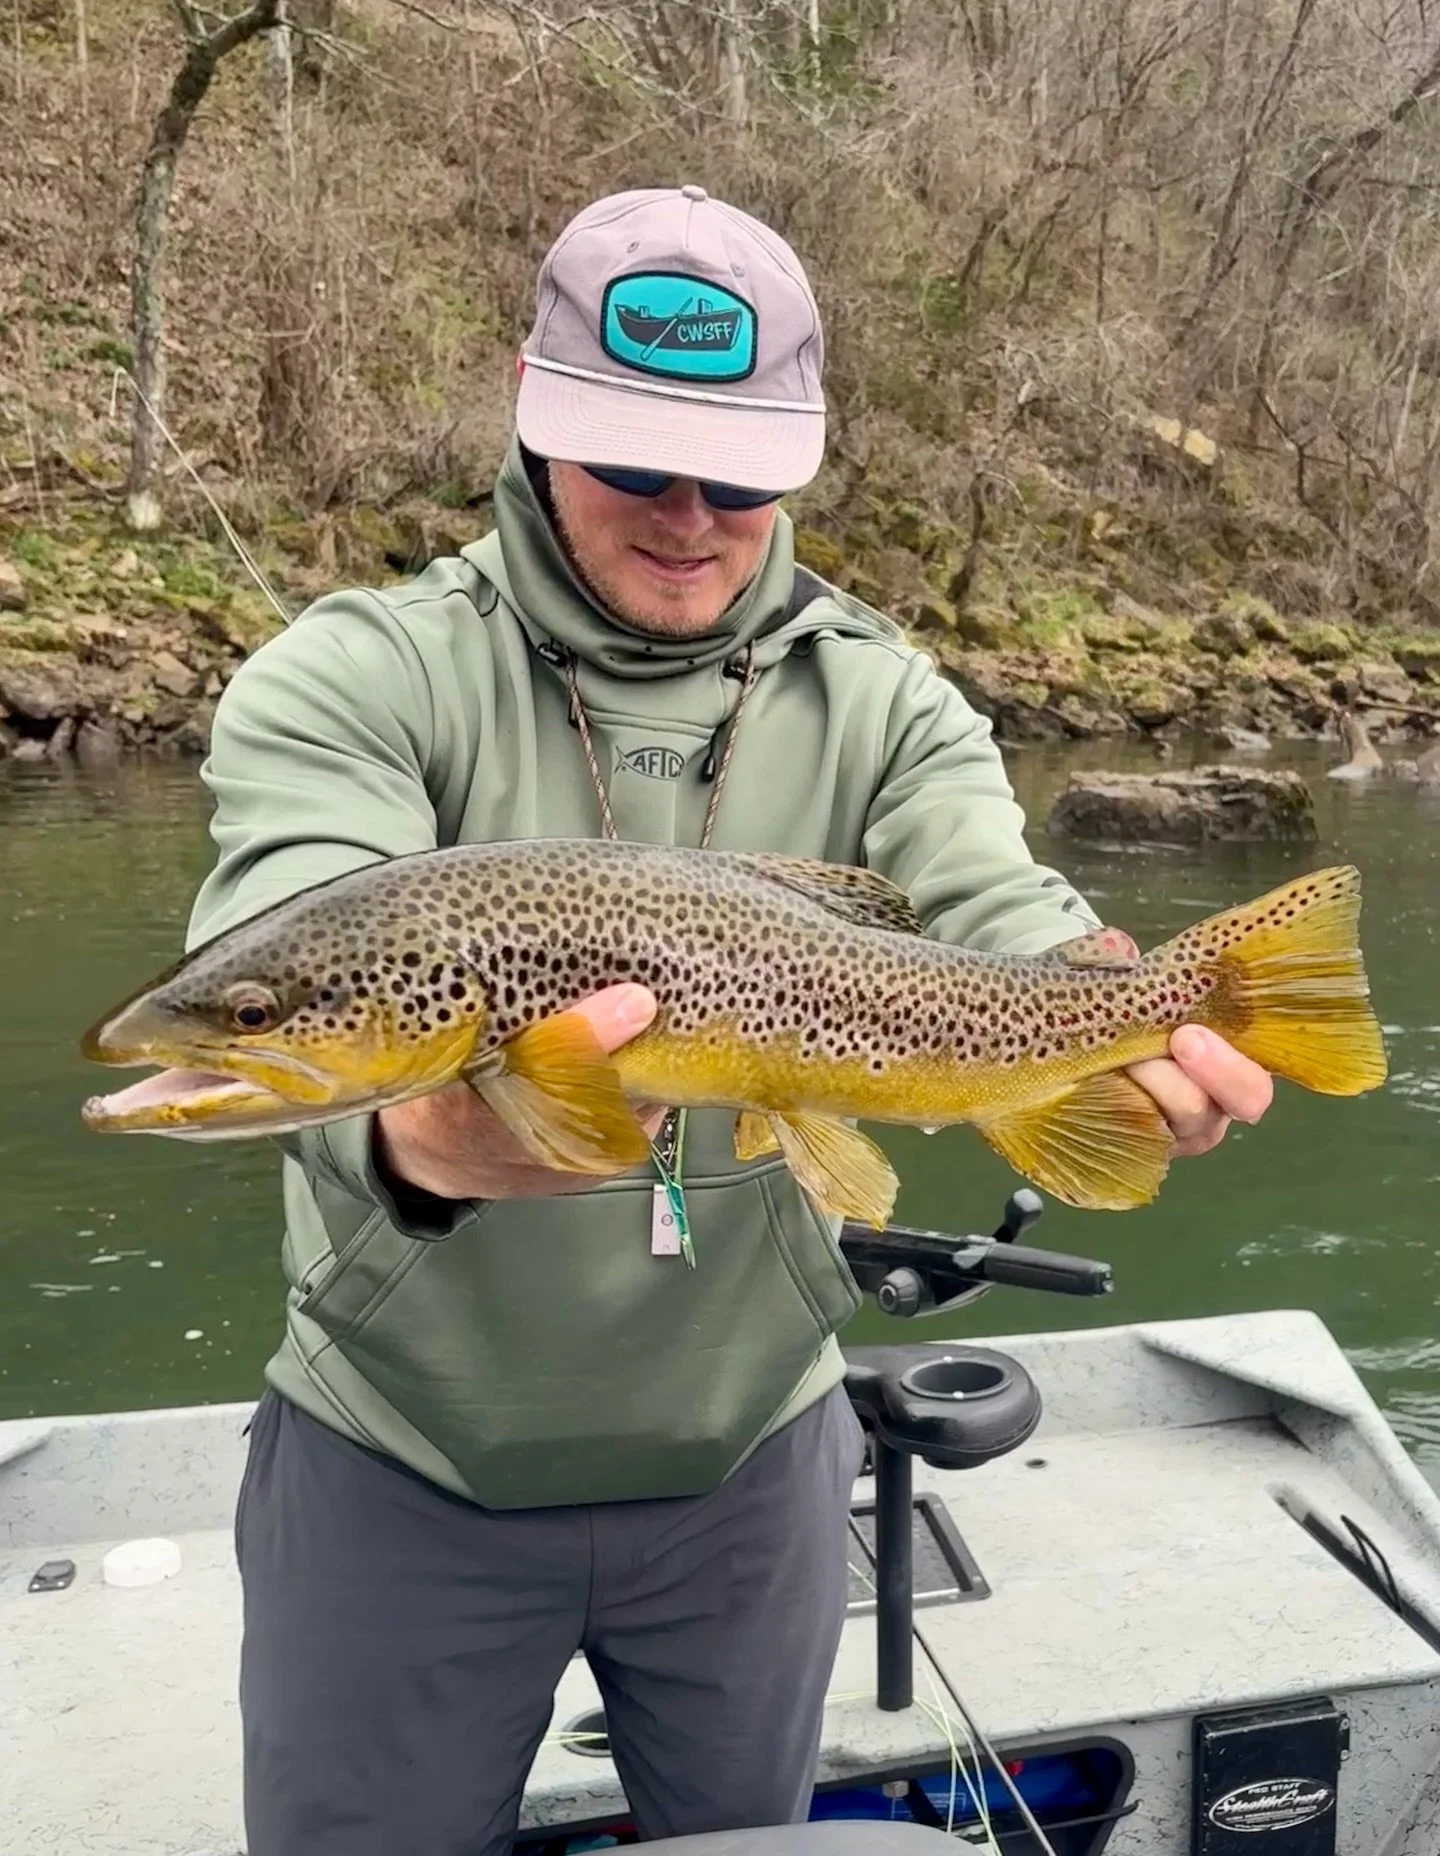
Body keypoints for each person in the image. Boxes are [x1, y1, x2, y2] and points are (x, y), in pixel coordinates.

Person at [186, 184, 1274, 1856]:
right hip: (402, 1459)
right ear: (542, 431)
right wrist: (424, 1132)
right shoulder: (358, 676)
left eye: (746, 476)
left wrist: (1118, 1006)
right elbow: (298, 959)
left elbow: (990, 898)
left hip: (757, 1461)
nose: (692, 514)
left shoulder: (885, 693)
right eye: (637, 464)